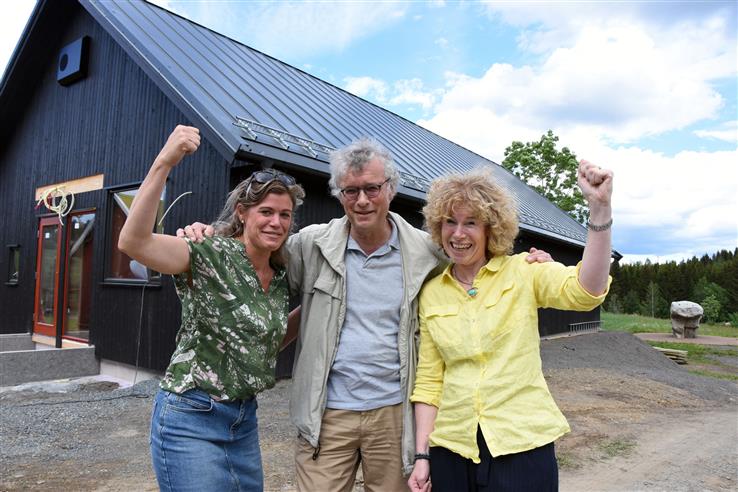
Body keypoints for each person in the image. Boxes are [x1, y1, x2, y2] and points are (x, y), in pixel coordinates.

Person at [180, 138, 553, 491]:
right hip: (326, 415)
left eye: (372, 188)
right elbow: (257, 253)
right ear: (339, 194)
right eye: (350, 191)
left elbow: (477, 259)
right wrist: (214, 236)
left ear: (391, 188)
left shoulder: (426, 251)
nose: (362, 200)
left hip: (393, 415)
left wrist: (530, 261)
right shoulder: (311, 246)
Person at [118, 125, 305, 492]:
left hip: (243, 420)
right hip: (191, 416)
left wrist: (317, 307)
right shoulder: (208, 252)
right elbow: (133, 242)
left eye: (285, 215)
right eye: (266, 211)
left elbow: (266, 341)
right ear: (243, 212)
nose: (276, 222)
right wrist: (164, 162)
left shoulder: (280, 273)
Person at [407, 161, 613, 492]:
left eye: (471, 223)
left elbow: (586, 291)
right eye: (450, 222)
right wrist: (422, 456)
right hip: (451, 449)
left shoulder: (524, 271)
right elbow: (430, 381)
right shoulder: (432, 292)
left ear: (491, 228)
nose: (458, 234)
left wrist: (599, 210)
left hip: (522, 446)